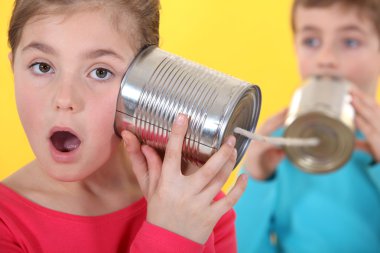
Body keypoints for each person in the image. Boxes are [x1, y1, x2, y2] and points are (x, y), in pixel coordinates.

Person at [0, 0, 248, 252]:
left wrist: (180, 224)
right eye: (42, 66)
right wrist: (171, 235)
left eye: (100, 72)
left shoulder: (191, 203)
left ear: (146, 78)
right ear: (13, 68)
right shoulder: (5, 225)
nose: (64, 99)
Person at [235, 0, 380, 252]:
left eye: (350, 42)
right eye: (311, 41)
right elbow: (240, 246)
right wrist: (256, 178)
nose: (326, 59)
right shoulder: (274, 152)